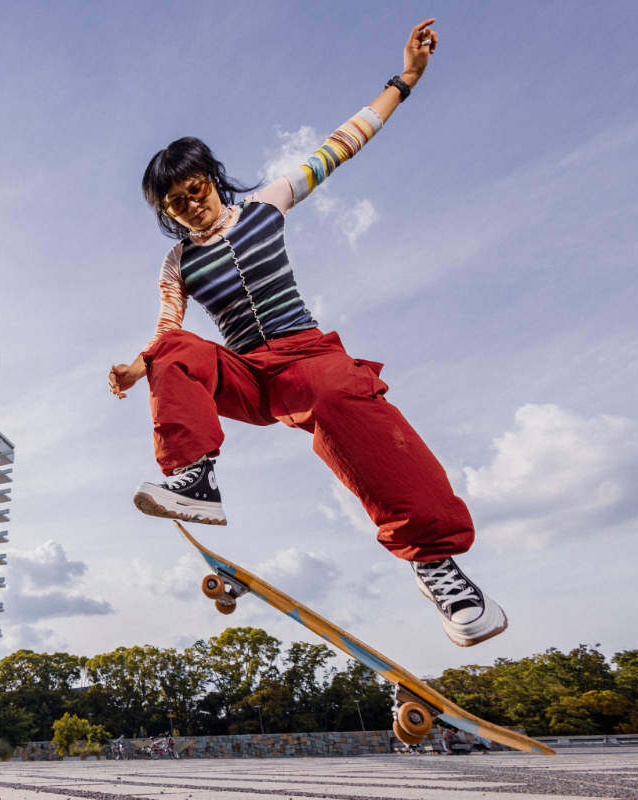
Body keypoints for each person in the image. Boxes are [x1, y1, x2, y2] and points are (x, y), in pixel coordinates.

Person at [109, 18, 504, 647]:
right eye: (176, 206)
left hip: (303, 360)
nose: (192, 207)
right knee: (170, 352)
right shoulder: (176, 262)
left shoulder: (268, 203)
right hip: (246, 377)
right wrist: (138, 366)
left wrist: (404, 80)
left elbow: (342, 143)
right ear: (166, 215)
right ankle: (196, 478)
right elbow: (167, 325)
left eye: (196, 190)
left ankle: (437, 564)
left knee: (338, 395)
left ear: (212, 178)